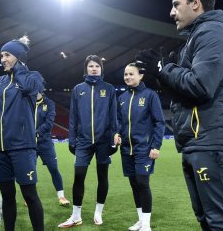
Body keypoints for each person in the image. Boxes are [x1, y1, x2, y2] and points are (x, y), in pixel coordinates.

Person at [136, 0, 223, 230]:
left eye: (176, 4)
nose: (171, 12)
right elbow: (186, 88)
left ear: (196, 3)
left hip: (209, 140)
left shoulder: (213, 32)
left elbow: (201, 86)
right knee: (207, 220)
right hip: (198, 140)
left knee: (221, 222)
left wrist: (164, 68)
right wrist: (163, 76)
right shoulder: (198, 36)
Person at [0, 35, 45, 231]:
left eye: (7, 55)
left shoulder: (33, 77)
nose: (2, 59)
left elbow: (30, 88)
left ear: (19, 57)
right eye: (1, 55)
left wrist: (19, 67)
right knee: (7, 196)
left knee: (30, 196)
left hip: (22, 147)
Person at [58, 55, 118, 228]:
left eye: (97, 66)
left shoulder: (109, 88)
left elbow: (114, 115)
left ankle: (98, 212)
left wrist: (114, 136)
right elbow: (73, 116)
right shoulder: (78, 89)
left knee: (102, 176)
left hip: (104, 141)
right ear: (86, 69)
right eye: (91, 66)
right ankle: (76, 216)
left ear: (101, 69)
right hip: (83, 141)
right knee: (79, 176)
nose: (94, 69)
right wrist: (72, 139)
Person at [114, 63, 165, 231]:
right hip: (126, 149)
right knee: (134, 185)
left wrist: (156, 146)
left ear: (140, 75)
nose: (128, 77)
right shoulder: (122, 98)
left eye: (131, 74)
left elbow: (159, 122)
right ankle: (140, 221)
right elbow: (119, 122)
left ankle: (147, 225)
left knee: (143, 183)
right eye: (126, 74)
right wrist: (116, 133)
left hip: (144, 148)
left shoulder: (150, 96)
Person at [34, 91, 70, 206]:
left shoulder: (49, 103)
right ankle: (30, 196)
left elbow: (49, 122)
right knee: (30, 170)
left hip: (45, 142)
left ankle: (61, 196)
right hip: (30, 143)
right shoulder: (27, 101)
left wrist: (36, 133)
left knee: (53, 169)